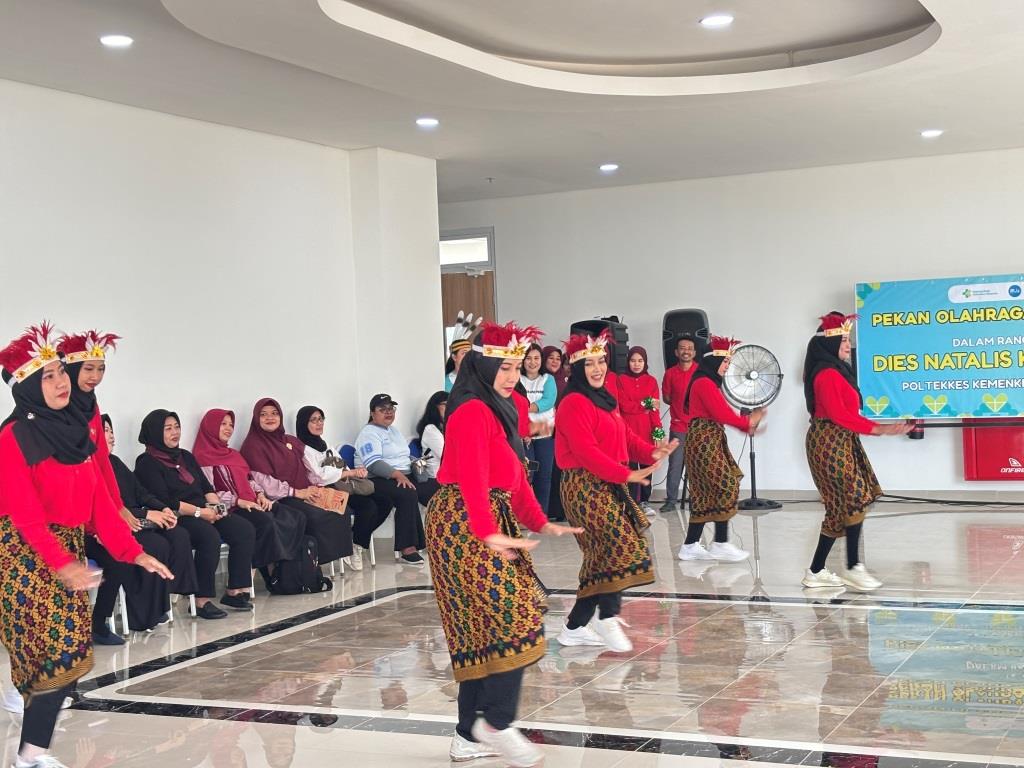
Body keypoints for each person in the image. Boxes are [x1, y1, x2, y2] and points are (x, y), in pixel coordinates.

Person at [0, 322, 171, 768]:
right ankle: (29, 754)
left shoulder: (76, 430)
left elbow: (98, 503)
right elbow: (25, 517)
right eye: (49, 376)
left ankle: (30, 753)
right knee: (54, 656)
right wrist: (62, 564)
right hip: (22, 553)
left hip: (66, 548)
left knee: (69, 655)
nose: (62, 382)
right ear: (28, 387)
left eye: (61, 372)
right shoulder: (13, 438)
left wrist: (133, 552)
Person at [426, 321, 580, 767]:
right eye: (505, 367)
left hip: (485, 516)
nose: (513, 376)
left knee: (483, 628)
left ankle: (467, 736)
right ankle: (495, 723)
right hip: (462, 520)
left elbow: (513, 474)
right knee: (517, 614)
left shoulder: (502, 407)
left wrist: (539, 522)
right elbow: (472, 477)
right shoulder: (472, 411)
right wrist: (487, 531)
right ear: (484, 366)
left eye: (517, 367)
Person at [554, 330, 678, 653]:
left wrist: (652, 451)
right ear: (577, 368)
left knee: (603, 556)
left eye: (601, 362)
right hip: (583, 487)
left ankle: (575, 626)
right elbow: (587, 453)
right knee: (619, 545)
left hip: (608, 482)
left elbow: (624, 436)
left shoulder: (604, 398)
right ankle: (607, 616)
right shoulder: (573, 403)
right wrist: (627, 474)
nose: (597, 369)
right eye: (590, 364)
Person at [802, 313, 911, 592]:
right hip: (828, 443)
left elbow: (848, 416)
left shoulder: (837, 371)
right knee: (853, 499)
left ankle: (817, 571)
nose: (848, 346)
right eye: (843, 341)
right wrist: (879, 429)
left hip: (842, 441)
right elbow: (839, 415)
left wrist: (879, 428)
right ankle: (852, 567)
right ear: (830, 344)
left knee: (844, 505)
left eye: (848, 341)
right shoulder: (826, 374)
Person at [135, 409, 257, 618]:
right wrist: (201, 513)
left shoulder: (185, 457)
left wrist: (217, 508)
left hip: (203, 509)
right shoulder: (146, 462)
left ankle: (235, 591)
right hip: (178, 516)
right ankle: (202, 601)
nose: (175, 432)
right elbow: (166, 501)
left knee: (243, 529)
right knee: (208, 536)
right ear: (154, 432)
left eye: (177, 427)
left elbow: (206, 486)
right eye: (168, 428)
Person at [101, 414, 199, 635]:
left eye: (111, 430)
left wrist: (162, 508)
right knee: (155, 545)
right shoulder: (93, 467)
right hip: (117, 525)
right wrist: (148, 513)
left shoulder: (115, 462)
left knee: (177, 534)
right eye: (106, 431)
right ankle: (142, 613)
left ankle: (165, 599)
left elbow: (141, 493)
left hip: (137, 520)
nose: (112, 436)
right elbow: (109, 507)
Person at [192, 408, 306, 584]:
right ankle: (271, 573)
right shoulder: (202, 458)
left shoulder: (234, 455)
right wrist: (238, 501)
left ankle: (288, 569)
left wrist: (260, 495)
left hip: (252, 502)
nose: (228, 429)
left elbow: (249, 480)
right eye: (223, 424)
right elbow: (209, 492)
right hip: (233, 508)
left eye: (231, 425)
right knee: (265, 522)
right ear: (210, 427)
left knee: (295, 516)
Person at [678, 336, 763, 563]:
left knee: (706, 493)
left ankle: (691, 546)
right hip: (704, 441)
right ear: (713, 361)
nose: (727, 367)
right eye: (725, 362)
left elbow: (721, 413)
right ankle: (720, 543)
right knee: (726, 484)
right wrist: (747, 424)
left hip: (707, 439)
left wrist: (746, 423)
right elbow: (722, 413)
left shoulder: (706, 382)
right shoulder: (704, 383)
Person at [240, 398, 352, 567]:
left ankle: (322, 562)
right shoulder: (253, 445)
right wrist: (297, 492)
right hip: (282, 497)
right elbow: (264, 483)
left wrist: (315, 487)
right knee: (316, 516)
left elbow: (309, 468)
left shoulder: (290, 440)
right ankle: (311, 564)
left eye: (274, 413)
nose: (270, 417)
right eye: (263, 414)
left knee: (341, 508)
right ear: (256, 418)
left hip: (304, 491)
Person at [295, 404, 387, 571]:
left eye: (321, 419)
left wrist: (354, 473)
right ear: (303, 424)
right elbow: (319, 476)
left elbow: (341, 464)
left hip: (340, 485)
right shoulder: (302, 449)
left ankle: (357, 540)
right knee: (368, 507)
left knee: (385, 500)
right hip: (323, 490)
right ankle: (354, 546)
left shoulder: (325, 445)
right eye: (313, 420)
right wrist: (347, 473)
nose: (319, 423)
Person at [354, 394, 438, 565]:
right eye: (382, 409)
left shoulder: (393, 430)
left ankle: (437, 538)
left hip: (403, 473)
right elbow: (373, 464)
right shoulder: (368, 433)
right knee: (407, 493)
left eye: (391, 408)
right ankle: (407, 548)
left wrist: (415, 464)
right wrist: (397, 475)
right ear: (372, 413)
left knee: (435, 489)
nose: (388, 412)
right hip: (378, 478)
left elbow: (403, 456)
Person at [617, 346, 664, 515]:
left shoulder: (651, 381)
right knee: (629, 468)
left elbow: (654, 410)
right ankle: (631, 503)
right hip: (627, 432)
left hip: (646, 431)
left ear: (645, 362)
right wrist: (646, 404)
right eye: (633, 360)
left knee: (646, 466)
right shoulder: (621, 380)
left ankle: (644, 502)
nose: (636, 364)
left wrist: (658, 432)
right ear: (628, 362)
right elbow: (624, 405)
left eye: (640, 361)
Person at [660, 334, 698, 513]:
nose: (686, 351)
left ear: (694, 352)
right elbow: (667, 398)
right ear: (676, 352)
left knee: (698, 465)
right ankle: (671, 500)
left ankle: (698, 499)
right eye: (683, 348)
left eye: (690, 348)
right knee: (675, 465)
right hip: (678, 427)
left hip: (698, 427)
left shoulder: (700, 372)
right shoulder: (670, 373)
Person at [520, 343, 557, 515]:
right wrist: (524, 430)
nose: (532, 362)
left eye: (536, 358)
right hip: (523, 435)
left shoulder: (548, 379)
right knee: (526, 475)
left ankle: (542, 515)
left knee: (543, 476)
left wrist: (527, 407)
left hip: (544, 434)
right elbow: (514, 403)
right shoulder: (517, 378)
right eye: (528, 358)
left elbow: (548, 401)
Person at [444, 310, 481, 392]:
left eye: (469, 353)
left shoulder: (477, 379)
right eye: (463, 353)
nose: (467, 356)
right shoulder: (444, 383)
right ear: (454, 357)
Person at [414, 392, 447, 480]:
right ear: (435, 407)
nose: (450, 407)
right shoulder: (430, 430)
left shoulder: (445, 428)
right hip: (436, 478)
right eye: (445, 404)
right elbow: (446, 457)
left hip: (448, 476)